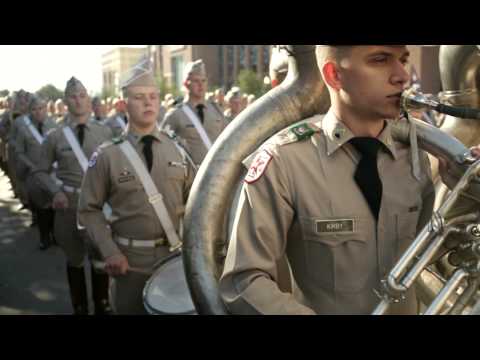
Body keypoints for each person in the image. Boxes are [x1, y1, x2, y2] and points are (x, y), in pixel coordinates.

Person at [219, 45, 453, 315]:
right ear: (334, 75)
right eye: (380, 59)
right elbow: (243, 281)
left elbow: (429, 262)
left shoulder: (415, 156)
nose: (402, 75)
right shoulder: (284, 161)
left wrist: (465, 195)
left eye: (403, 59)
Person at [78, 57, 195, 314]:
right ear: (123, 105)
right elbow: (88, 211)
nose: (148, 102)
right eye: (139, 97)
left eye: (153, 96)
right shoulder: (107, 155)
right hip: (130, 264)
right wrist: (109, 252)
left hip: (177, 260)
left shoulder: (177, 148)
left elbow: (198, 200)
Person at [32, 77, 113, 315]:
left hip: (98, 207)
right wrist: (55, 191)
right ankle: (79, 306)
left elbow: (115, 169)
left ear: (88, 98)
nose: (78, 100)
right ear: (66, 101)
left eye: (82, 95)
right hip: (68, 208)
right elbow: (40, 171)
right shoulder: (55, 136)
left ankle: (102, 304)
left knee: (100, 259)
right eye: (73, 96)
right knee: (75, 259)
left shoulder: (104, 131)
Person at [160, 59, 227, 166]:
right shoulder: (176, 114)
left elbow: (227, 139)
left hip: (216, 171)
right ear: (186, 84)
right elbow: (163, 147)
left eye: (203, 80)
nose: (201, 85)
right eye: (196, 81)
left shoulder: (216, 111)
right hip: (191, 175)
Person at [15, 96, 57, 249]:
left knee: (54, 205)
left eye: (41, 108)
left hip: (53, 171)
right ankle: (44, 238)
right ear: (30, 111)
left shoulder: (53, 124)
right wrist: (30, 166)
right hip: (34, 173)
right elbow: (19, 152)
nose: (38, 112)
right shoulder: (24, 129)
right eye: (34, 109)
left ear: (45, 109)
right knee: (41, 207)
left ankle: (55, 235)